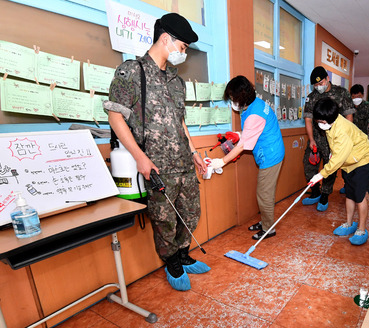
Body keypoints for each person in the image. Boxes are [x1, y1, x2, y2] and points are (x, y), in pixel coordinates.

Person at [105, 13, 209, 291]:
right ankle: (172, 261)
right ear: (166, 39)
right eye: (183, 47)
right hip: (156, 164)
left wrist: (195, 152)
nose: (183, 53)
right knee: (164, 219)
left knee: (190, 213)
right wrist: (140, 158)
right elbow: (115, 117)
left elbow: (180, 122)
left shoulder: (177, 81)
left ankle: (184, 254)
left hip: (184, 163)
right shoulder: (132, 72)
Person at [211, 75, 285, 240]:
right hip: (270, 150)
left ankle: (269, 229)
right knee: (264, 192)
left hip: (271, 154)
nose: (231, 101)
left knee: (264, 193)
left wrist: (221, 161)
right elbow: (254, 131)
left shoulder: (254, 114)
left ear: (241, 96)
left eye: (232, 97)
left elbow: (244, 145)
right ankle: (266, 221)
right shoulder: (255, 104)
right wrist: (239, 134)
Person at [310, 97, 369, 245]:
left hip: (362, 161)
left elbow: (338, 158)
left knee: (360, 196)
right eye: (318, 121)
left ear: (331, 118)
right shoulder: (330, 123)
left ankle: (362, 229)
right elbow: (337, 148)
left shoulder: (342, 129)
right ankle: (349, 223)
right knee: (350, 194)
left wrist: (321, 174)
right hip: (349, 163)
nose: (320, 125)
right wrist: (334, 152)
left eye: (322, 122)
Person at [302, 66, 355, 212]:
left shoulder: (341, 93)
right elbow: (308, 119)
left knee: (330, 168)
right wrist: (311, 139)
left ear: (327, 79)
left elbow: (349, 115)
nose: (318, 87)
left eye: (320, 83)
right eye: (315, 85)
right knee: (308, 165)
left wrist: (344, 138)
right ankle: (315, 192)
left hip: (334, 139)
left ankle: (325, 195)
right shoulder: (312, 97)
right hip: (316, 138)